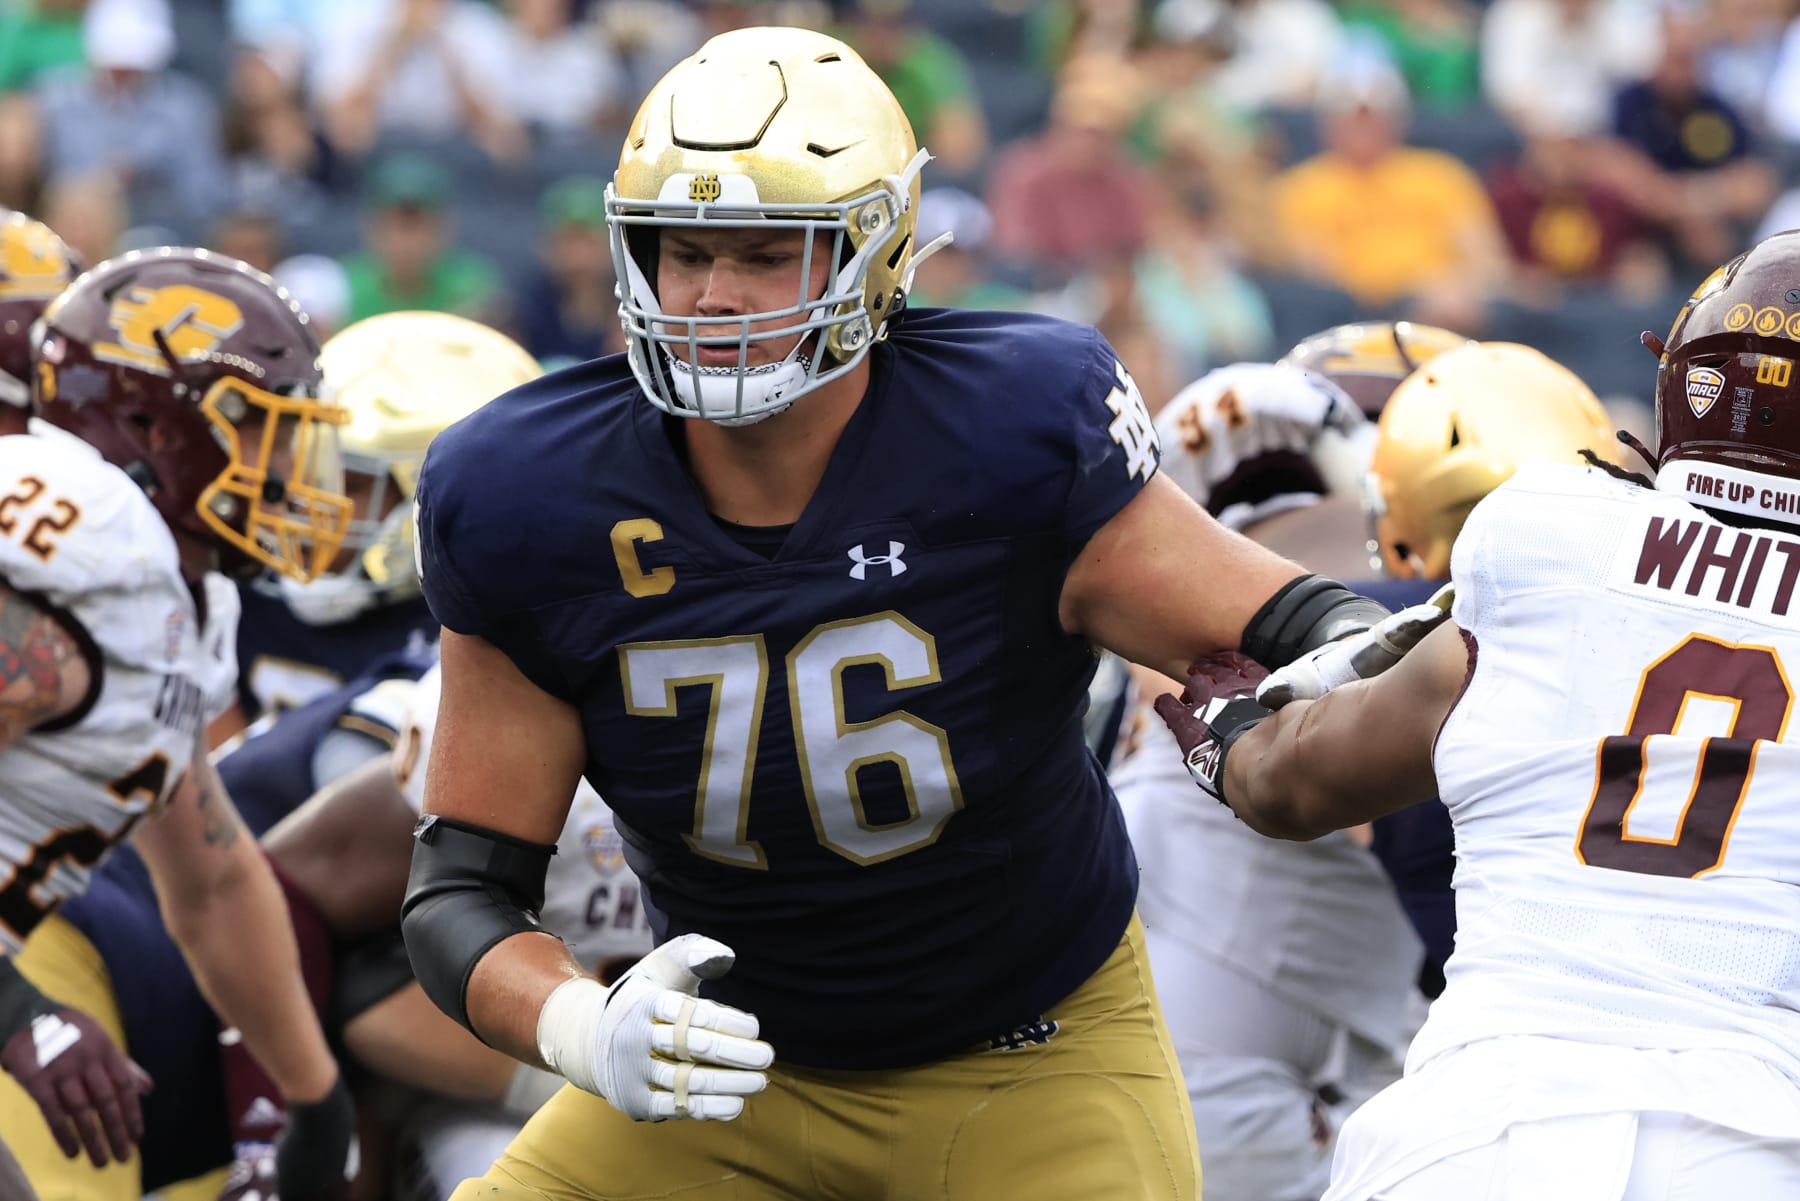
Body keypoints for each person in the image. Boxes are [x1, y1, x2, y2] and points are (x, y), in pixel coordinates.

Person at [402, 27, 1398, 1201]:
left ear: (871, 256)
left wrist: (1367, 666)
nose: (714, 296)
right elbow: (463, 888)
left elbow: (1291, 621)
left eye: (765, 254)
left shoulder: (1006, 428)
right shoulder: (528, 493)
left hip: (1030, 1062)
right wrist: (577, 1022)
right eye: (685, 251)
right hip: (727, 1071)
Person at [1159, 233, 1800, 1198]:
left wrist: (1232, 739)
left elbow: (1289, 782)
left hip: (1469, 1129)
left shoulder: (1548, 534)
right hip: (1748, 1141)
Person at [0, 236, 356, 1200]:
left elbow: (213, 879)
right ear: (150, 427)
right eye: (260, 428)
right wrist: (15, 1008)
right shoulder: (79, 537)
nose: (289, 466)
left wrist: (312, 1100)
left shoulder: (175, 596)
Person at [225, 310, 540, 730]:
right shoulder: (241, 596)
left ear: (436, 502)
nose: (302, 505)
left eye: (345, 484)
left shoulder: (476, 641)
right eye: (300, 474)